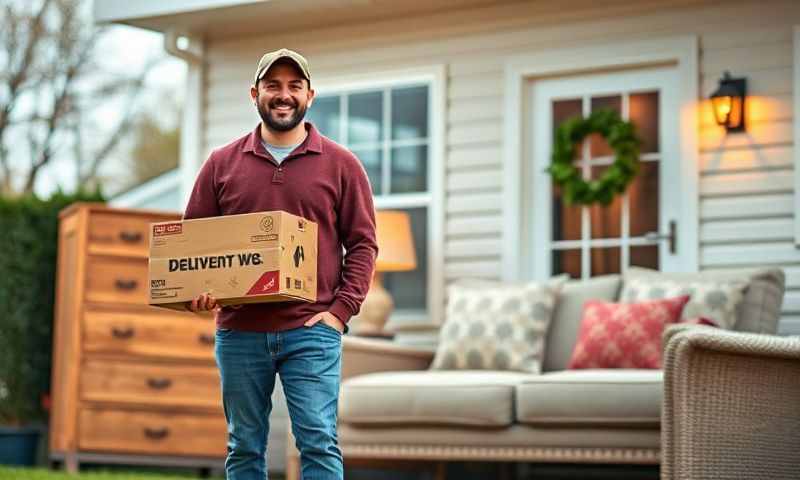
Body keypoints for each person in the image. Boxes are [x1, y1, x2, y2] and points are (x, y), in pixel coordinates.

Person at [183, 48, 378, 480]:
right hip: (239, 332)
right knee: (244, 446)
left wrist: (339, 313)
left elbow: (363, 244)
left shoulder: (342, 164)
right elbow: (193, 244)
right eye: (273, 86)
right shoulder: (221, 164)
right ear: (255, 94)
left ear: (311, 96)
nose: (283, 95)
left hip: (312, 331)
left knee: (318, 441)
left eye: (294, 86)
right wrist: (198, 291)